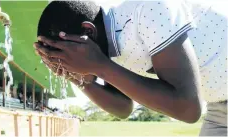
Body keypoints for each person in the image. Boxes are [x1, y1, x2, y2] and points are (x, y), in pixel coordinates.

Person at [33, 0, 227, 136]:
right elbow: (123, 108)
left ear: (88, 31)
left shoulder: (148, 11)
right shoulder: (106, 49)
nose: (65, 62)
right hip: (220, 107)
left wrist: (99, 66)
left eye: (65, 54)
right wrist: (76, 77)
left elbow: (188, 109)